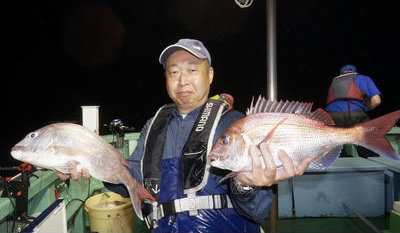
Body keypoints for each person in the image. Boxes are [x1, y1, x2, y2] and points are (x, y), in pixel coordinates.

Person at [57, 38, 311, 233]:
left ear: (210, 75)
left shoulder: (235, 125)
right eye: (174, 71)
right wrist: (94, 164)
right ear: (166, 78)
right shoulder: (153, 126)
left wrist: (247, 185)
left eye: (192, 70)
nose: (182, 80)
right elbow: (131, 179)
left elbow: (256, 210)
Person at [326, 64, 382, 157]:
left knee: (335, 149)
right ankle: (370, 163)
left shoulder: (334, 81)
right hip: (356, 115)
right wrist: (366, 109)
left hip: (333, 116)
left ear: (341, 74)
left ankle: (339, 160)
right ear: (355, 72)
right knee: (367, 147)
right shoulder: (364, 79)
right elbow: (376, 101)